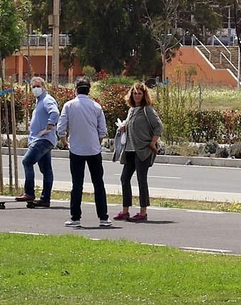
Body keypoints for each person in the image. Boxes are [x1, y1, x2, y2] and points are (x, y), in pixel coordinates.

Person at [55, 77, 110, 228]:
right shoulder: (96, 107)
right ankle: (103, 217)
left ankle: (75, 217)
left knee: (77, 184)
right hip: (93, 149)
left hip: (76, 149)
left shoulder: (69, 105)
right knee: (98, 183)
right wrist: (96, 144)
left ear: (76, 89)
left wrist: (66, 142)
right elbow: (102, 130)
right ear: (89, 89)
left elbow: (61, 128)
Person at [115, 81, 163, 222]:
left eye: (139, 94)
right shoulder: (131, 110)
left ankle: (143, 212)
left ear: (144, 95)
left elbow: (158, 127)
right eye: (134, 93)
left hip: (143, 150)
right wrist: (124, 127)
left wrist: (153, 142)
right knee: (124, 178)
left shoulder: (147, 110)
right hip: (129, 150)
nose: (137, 96)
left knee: (141, 180)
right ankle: (125, 210)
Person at [20, 76, 59, 207]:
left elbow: (54, 113)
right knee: (46, 169)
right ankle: (45, 199)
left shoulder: (47, 100)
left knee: (27, 161)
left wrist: (49, 126)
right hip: (42, 139)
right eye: (33, 86)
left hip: (43, 139)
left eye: (38, 86)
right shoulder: (39, 102)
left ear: (43, 87)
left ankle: (29, 192)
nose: (35, 89)